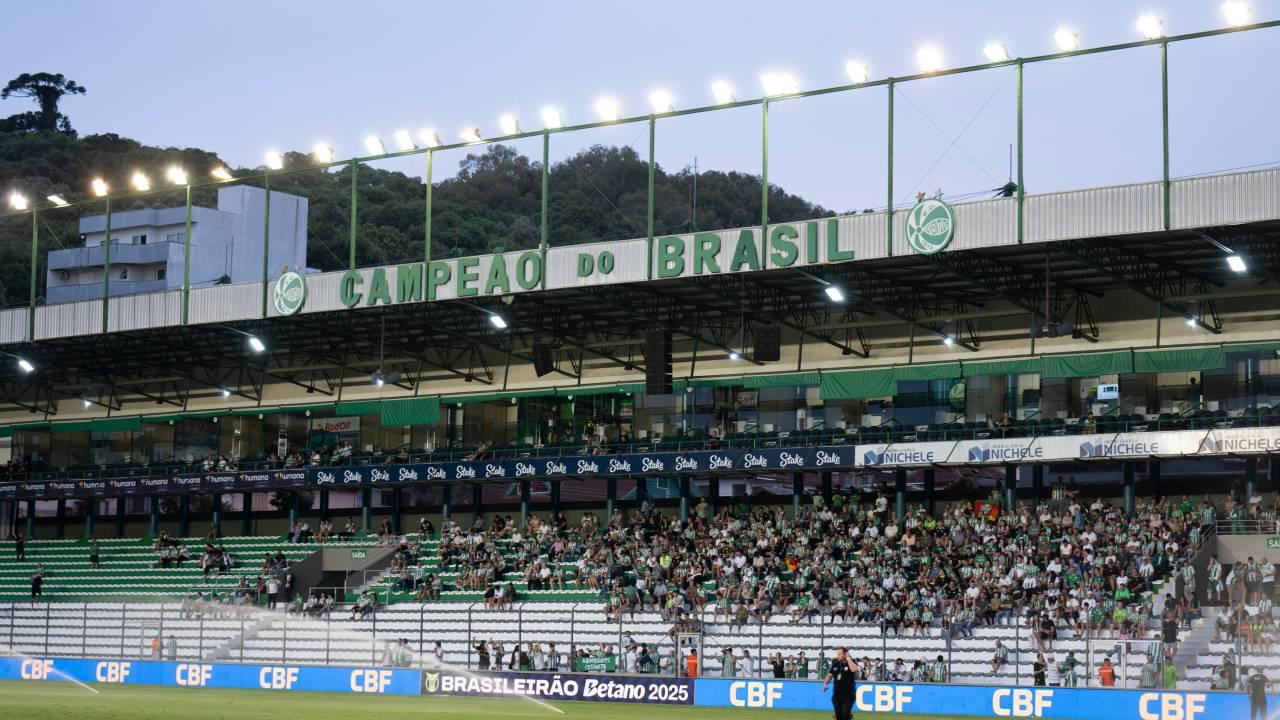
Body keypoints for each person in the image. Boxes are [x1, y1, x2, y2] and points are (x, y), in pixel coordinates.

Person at [821, 647, 860, 720]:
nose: (837, 656)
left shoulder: (851, 663)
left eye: (840, 654)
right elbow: (829, 676)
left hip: (848, 695)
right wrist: (825, 684)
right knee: (838, 717)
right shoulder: (835, 664)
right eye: (837, 654)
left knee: (845, 715)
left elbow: (854, 669)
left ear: (845, 654)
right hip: (836, 695)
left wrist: (848, 659)